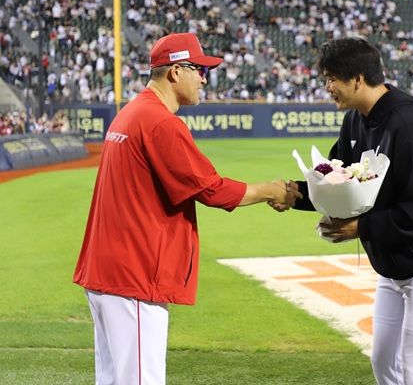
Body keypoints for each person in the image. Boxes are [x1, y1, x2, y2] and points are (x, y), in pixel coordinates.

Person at [73, 32, 301, 385]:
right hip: (134, 273)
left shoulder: (131, 112)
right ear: (176, 71)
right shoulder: (160, 121)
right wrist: (271, 190)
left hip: (110, 271)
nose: (204, 79)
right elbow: (211, 189)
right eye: (199, 70)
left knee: (115, 379)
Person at [290, 37, 413, 384]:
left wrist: (361, 227)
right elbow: (336, 184)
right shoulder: (355, 120)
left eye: (332, 78)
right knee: (384, 362)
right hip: (393, 263)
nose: (327, 87)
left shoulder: (409, 124)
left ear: (358, 79)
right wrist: (291, 195)